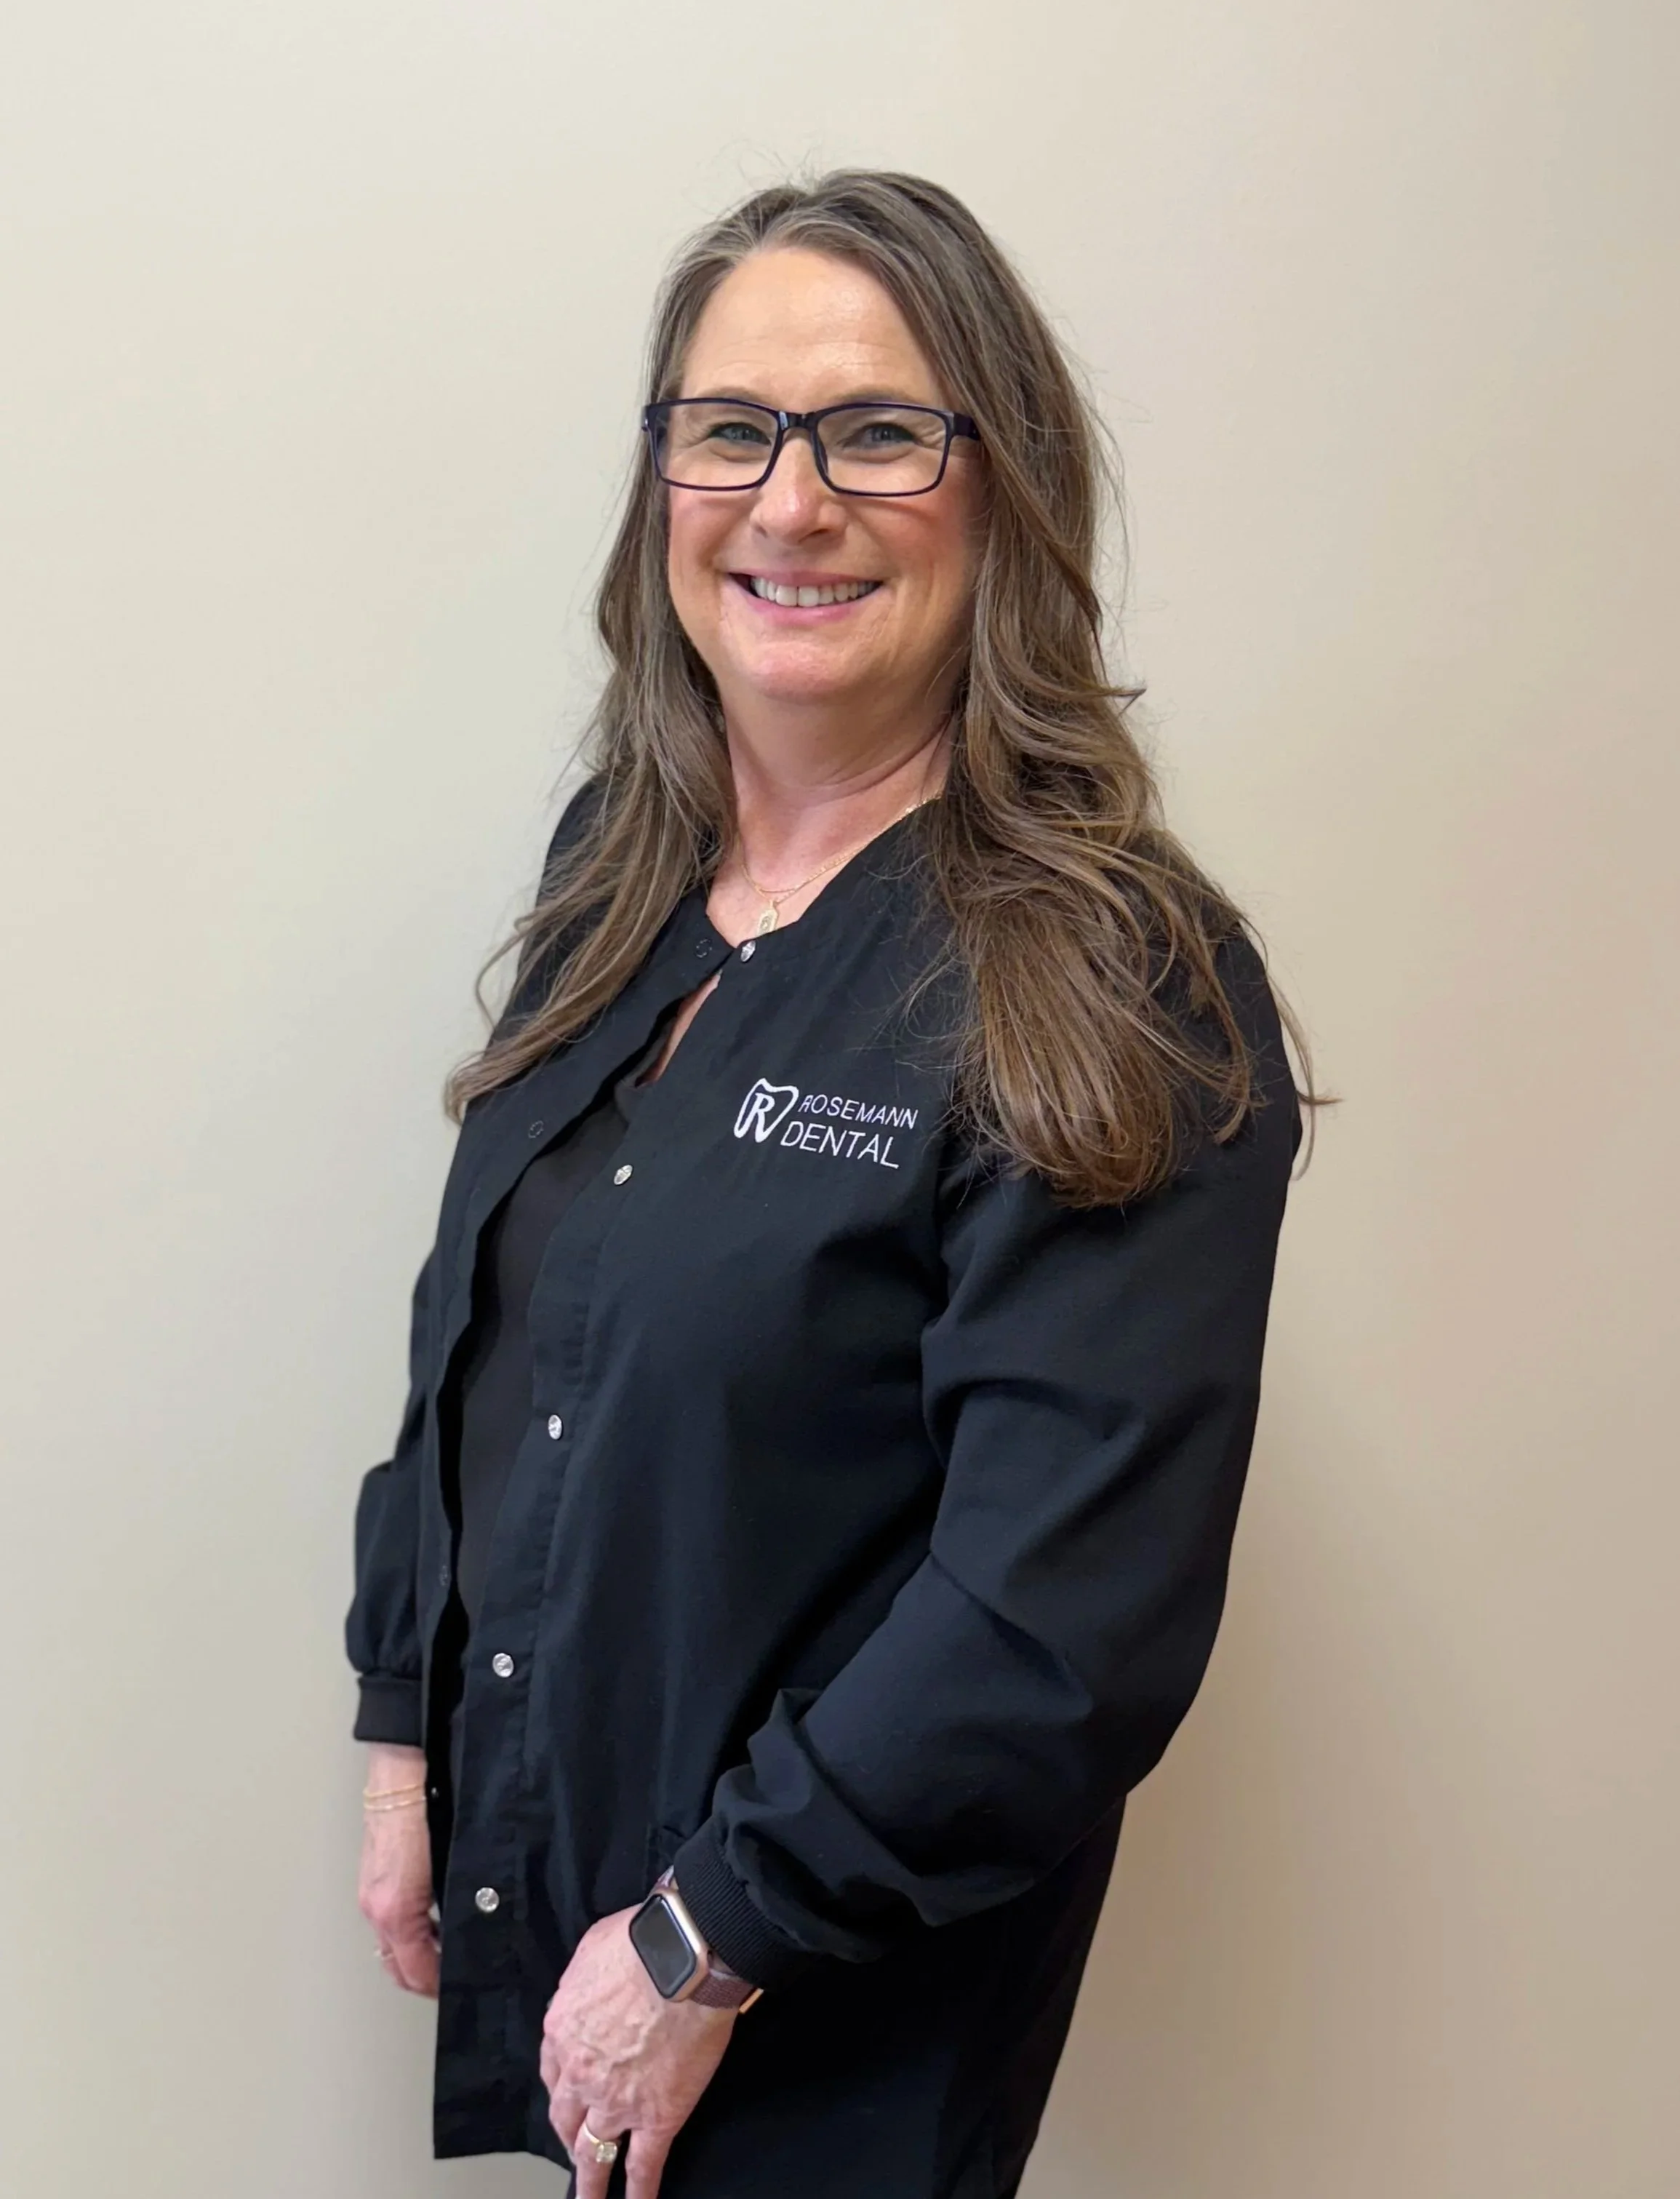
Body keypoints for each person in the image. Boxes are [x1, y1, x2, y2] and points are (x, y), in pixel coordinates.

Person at [347, 169, 1311, 2199]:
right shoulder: (621, 869)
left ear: (1003, 486)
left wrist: (705, 1938)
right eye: (731, 430)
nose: (789, 504)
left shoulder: (1107, 972)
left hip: (821, 1992)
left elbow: (1060, 1616)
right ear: (661, 481)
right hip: (573, 1896)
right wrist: (402, 1724)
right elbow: (485, 1333)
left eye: (877, 432)